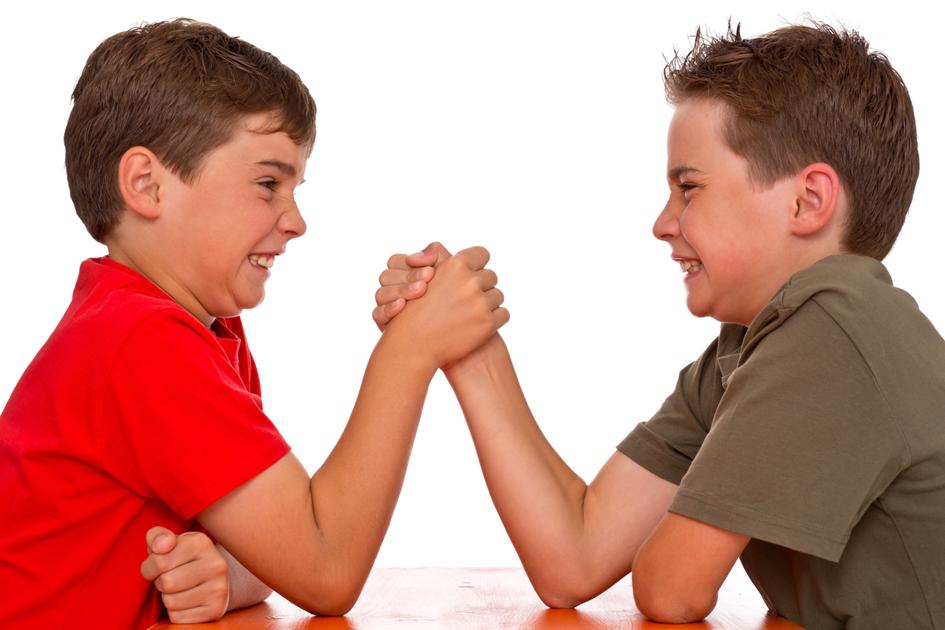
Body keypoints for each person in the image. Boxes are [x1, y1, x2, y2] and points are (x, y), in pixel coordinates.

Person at [374, 22, 943, 629]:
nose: (663, 223)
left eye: (688, 187)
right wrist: (466, 344)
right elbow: (574, 557)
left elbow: (672, 590)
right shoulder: (748, 350)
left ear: (806, 201)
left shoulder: (833, 332)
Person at [0, 18, 507, 629]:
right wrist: (410, 350)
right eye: (268, 184)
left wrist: (224, 573)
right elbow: (325, 569)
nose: (296, 221)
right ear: (145, 184)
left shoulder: (195, 327)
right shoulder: (141, 343)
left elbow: (275, 547)